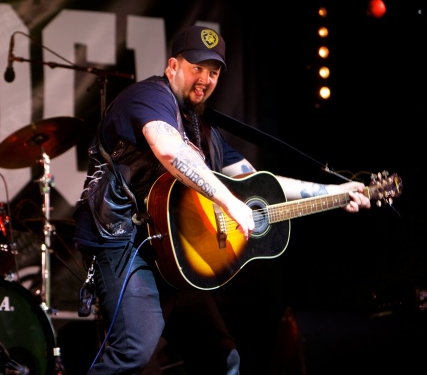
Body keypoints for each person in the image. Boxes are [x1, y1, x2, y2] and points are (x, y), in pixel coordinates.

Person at [72, 25, 371, 374]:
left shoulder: (207, 132)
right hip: (125, 243)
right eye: (196, 68)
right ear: (173, 67)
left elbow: (263, 184)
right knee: (132, 354)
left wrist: (337, 192)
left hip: (175, 255)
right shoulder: (150, 96)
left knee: (221, 358)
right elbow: (169, 150)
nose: (205, 79)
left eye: (213, 72)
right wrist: (231, 204)